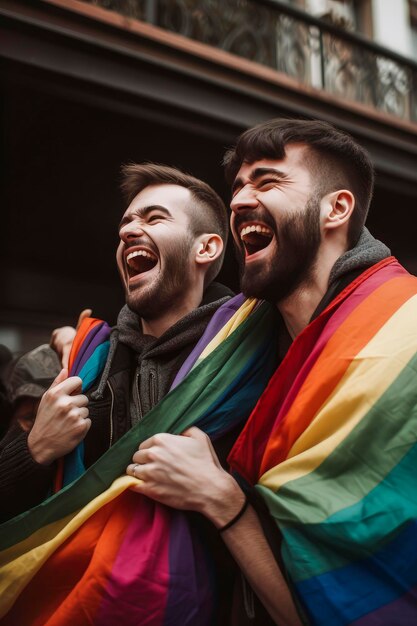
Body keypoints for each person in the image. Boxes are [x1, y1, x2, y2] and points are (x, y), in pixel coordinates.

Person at [124, 119, 417, 625]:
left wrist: (225, 502)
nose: (237, 201)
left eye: (268, 181)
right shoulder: (240, 345)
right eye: (238, 186)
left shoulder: (404, 331)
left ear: (337, 209)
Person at [0, 163, 232, 523]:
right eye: (125, 223)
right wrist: (33, 450)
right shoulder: (73, 366)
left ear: (206, 248)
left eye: (154, 219)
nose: (128, 232)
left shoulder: (248, 357)